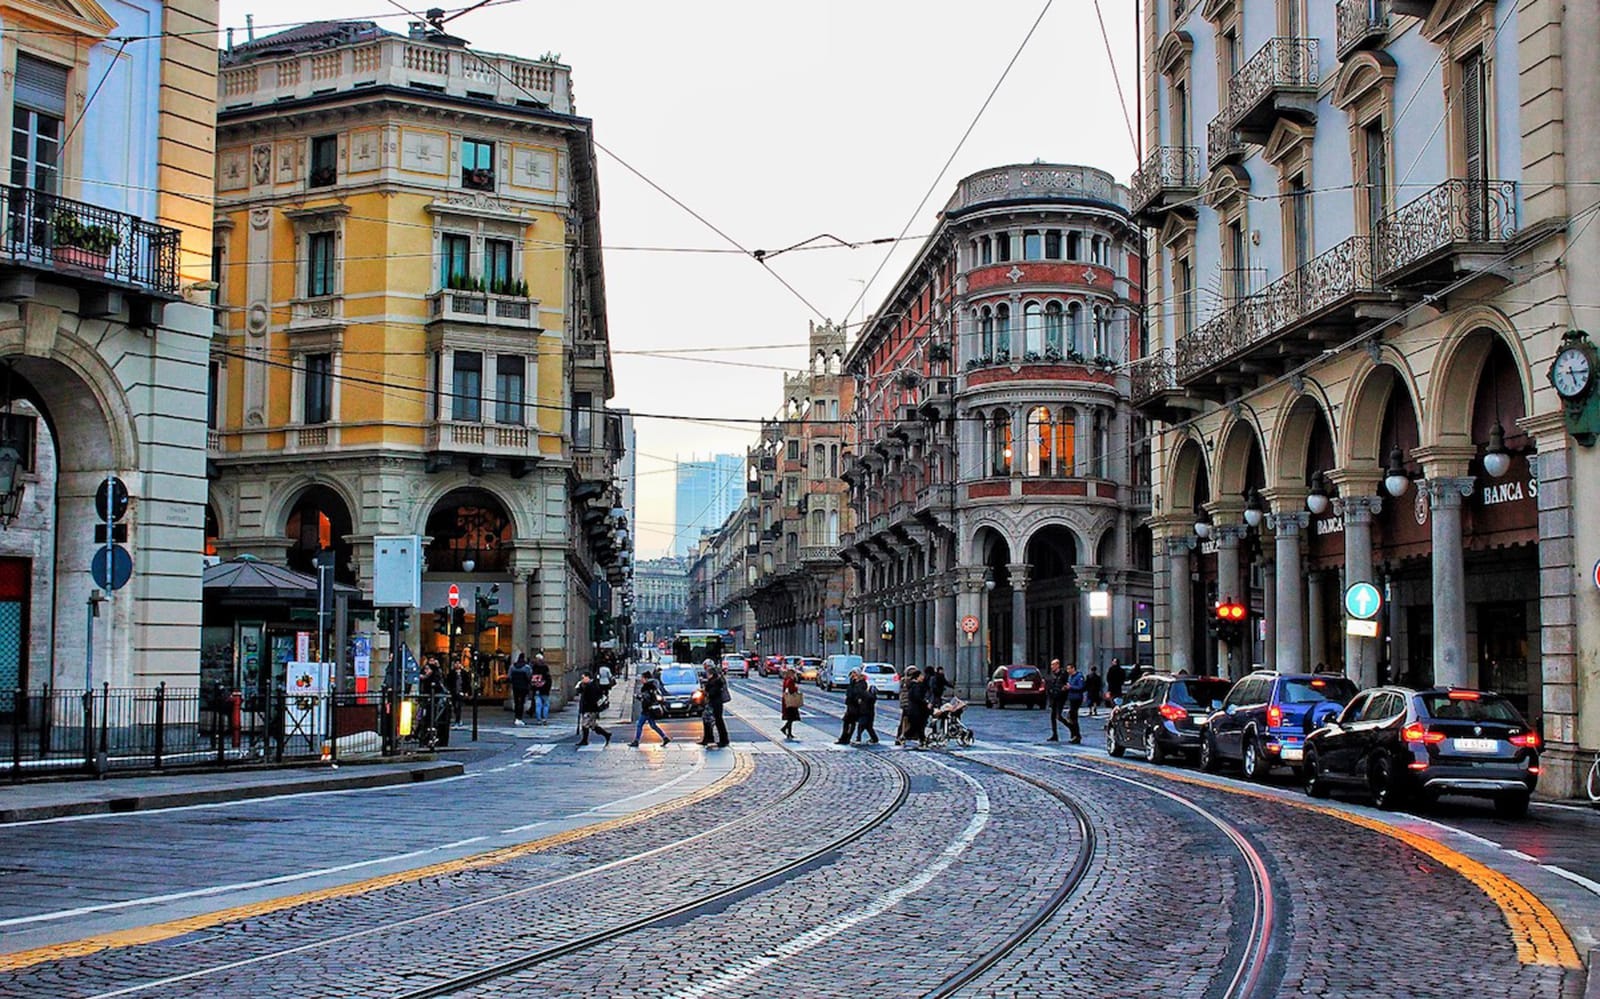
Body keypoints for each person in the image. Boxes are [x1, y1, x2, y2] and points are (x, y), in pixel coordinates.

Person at [629, 669, 670, 747]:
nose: (641, 680)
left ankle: (636, 741)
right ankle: (665, 738)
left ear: (646, 678)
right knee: (653, 725)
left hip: (647, 710)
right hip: (652, 709)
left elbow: (646, 699)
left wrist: (638, 697)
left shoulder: (646, 687)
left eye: (642, 678)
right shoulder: (653, 686)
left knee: (639, 724)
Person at [575, 671, 612, 747]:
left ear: (588, 677)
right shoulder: (590, 685)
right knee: (592, 725)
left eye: (583, 677)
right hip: (590, 708)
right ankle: (606, 734)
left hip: (590, 709)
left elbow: (591, 698)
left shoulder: (591, 686)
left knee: (585, 724)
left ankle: (585, 740)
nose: (582, 679)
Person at [701, 660, 730, 748]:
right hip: (714, 702)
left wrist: (706, 691)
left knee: (717, 720)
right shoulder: (715, 679)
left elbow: (713, 692)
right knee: (710, 720)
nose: (705, 672)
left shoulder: (716, 680)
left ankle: (723, 740)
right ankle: (709, 738)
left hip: (716, 703)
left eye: (706, 669)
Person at [902, 667, 931, 749]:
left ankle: (919, 739)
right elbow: (918, 698)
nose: (923, 677)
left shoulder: (912, 685)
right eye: (921, 675)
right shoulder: (917, 686)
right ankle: (922, 741)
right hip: (917, 711)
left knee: (916, 727)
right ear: (917, 677)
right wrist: (926, 702)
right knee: (919, 726)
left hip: (913, 710)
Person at [1045, 659, 1069, 742]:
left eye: (1053, 665)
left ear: (1057, 665)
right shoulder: (1053, 675)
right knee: (1053, 717)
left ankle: (1071, 728)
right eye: (1051, 665)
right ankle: (1054, 734)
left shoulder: (1063, 674)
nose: (1051, 667)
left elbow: (1065, 685)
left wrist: (1063, 689)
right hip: (1053, 698)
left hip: (1060, 698)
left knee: (1059, 716)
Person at [838, 669, 863, 745]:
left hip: (856, 706)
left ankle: (846, 738)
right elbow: (849, 692)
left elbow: (857, 693)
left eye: (855, 673)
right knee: (846, 722)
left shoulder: (861, 683)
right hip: (850, 705)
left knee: (852, 723)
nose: (853, 674)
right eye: (852, 673)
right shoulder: (852, 682)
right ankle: (843, 738)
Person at [508, 652, 533, 727]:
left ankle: (516, 716)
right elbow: (529, 676)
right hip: (524, 687)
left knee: (516, 701)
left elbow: (509, 676)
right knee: (521, 702)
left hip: (515, 686)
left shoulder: (512, 666)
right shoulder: (526, 667)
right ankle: (520, 717)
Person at [896, 665, 919, 745]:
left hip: (904, 704)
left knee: (904, 720)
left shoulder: (903, 681)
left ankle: (901, 736)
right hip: (910, 704)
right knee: (909, 721)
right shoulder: (911, 682)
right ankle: (903, 736)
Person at [1064, 663, 1086, 744]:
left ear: (1073, 669)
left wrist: (1071, 687)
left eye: (1069, 669)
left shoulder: (1079, 676)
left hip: (1077, 698)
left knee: (1073, 717)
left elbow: (1081, 687)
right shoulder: (1070, 677)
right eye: (1067, 669)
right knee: (1071, 717)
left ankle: (1076, 735)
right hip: (1072, 698)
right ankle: (1074, 734)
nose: (1068, 671)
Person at [855, 674, 880, 744]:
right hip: (869, 713)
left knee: (861, 726)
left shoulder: (868, 696)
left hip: (865, 712)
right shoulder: (871, 697)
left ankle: (858, 739)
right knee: (868, 727)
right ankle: (874, 738)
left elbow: (861, 692)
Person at [779, 668, 802, 740]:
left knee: (790, 718)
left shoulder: (786, 679)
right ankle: (786, 730)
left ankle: (788, 732)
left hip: (787, 699)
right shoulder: (790, 680)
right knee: (791, 717)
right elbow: (791, 689)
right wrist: (796, 688)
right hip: (791, 700)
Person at [530, 653, 552, 725]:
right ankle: (544, 719)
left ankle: (539, 720)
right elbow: (549, 680)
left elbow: (531, 679)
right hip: (545, 690)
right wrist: (548, 688)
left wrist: (533, 688)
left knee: (538, 705)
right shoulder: (545, 668)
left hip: (536, 689)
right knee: (546, 705)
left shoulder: (534, 668)